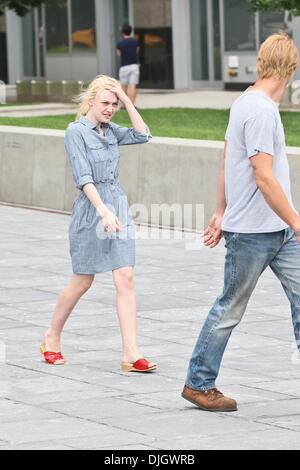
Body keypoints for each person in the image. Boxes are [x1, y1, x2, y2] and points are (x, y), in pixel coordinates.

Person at [182, 32, 300, 412]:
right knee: (230, 307)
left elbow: (226, 160)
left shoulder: (245, 100)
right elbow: (263, 176)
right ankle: (198, 384)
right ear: (291, 69)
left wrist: (220, 210)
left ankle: (199, 382)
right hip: (254, 233)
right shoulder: (262, 110)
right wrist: (298, 222)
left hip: (276, 230)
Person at [40, 75, 157, 373]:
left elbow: (143, 135)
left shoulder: (110, 130)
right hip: (93, 209)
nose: (109, 109)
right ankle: (51, 337)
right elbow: (83, 178)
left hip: (117, 204)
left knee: (125, 277)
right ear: (90, 100)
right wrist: (103, 211)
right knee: (82, 281)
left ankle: (131, 354)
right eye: (105, 103)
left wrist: (128, 100)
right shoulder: (75, 132)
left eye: (114, 104)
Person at [116, 24, 140, 106]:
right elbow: (137, 51)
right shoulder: (135, 41)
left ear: (122, 32)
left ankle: (124, 105)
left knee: (124, 87)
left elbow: (118, 53)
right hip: (134, 66)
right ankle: (132, 105)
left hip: (124, 66)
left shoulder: (120, 43)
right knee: (133, 86)